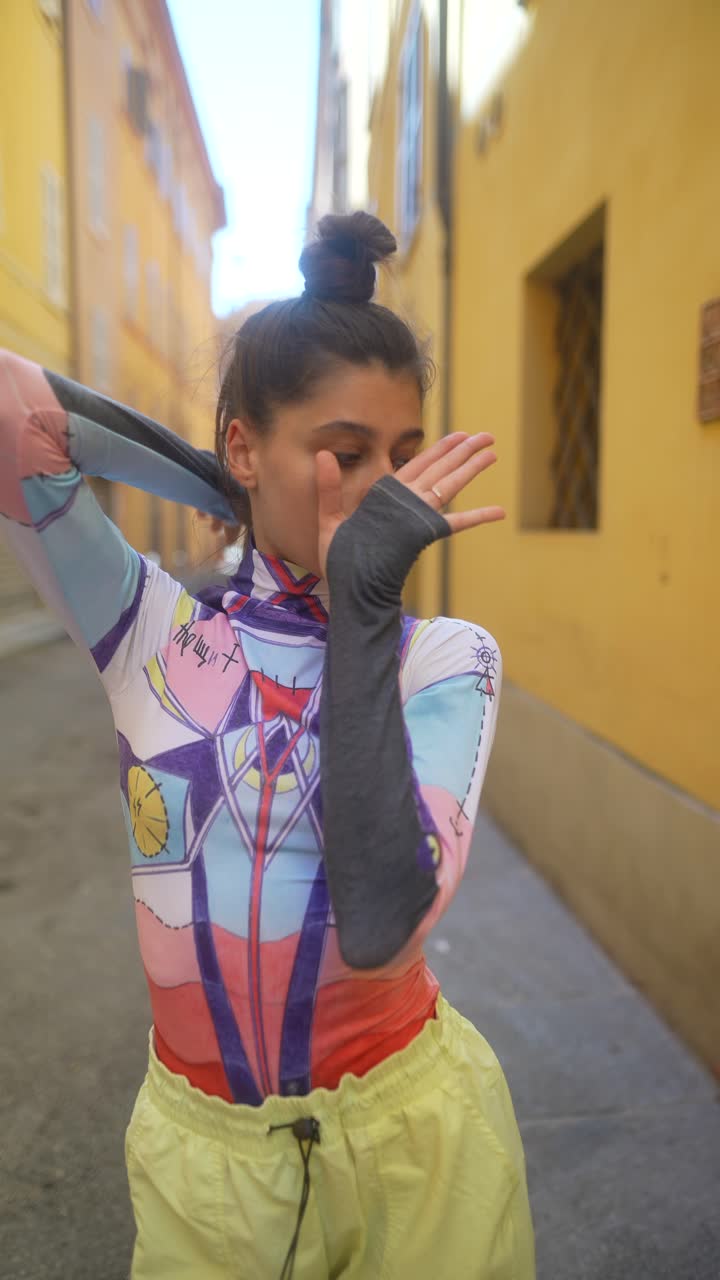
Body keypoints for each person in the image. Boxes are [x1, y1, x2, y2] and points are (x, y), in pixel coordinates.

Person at [0, 211, 535, 1279]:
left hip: (416, 1144)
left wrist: (361, 601)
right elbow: (19, 416)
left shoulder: (444, 660)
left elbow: (381, 921)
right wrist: (225, 487)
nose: (388, 488)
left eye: (405, 457)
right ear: (247, 445)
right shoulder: (154, 634)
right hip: (205, 1169)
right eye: (347, 452)